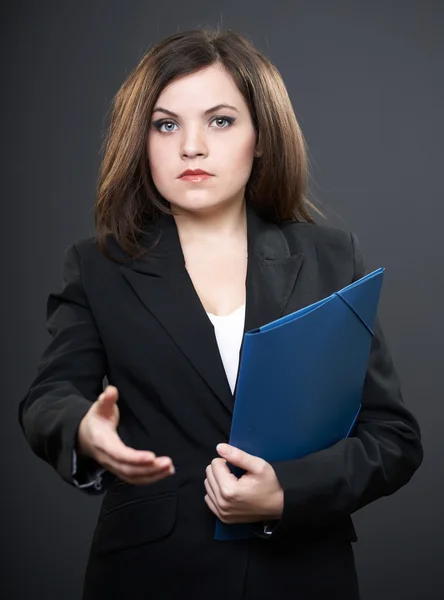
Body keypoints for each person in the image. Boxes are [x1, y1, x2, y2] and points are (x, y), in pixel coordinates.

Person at [18, 26, 423, 600]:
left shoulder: (331, 257)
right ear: (143, 141)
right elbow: (49, 397)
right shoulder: (96, 267)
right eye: (166, 124)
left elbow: (393, 437)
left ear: (260, 136)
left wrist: (288, 490)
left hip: (305, 576)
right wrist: (83, 430)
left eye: (220, 120)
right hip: (151, 578)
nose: (191, 147)